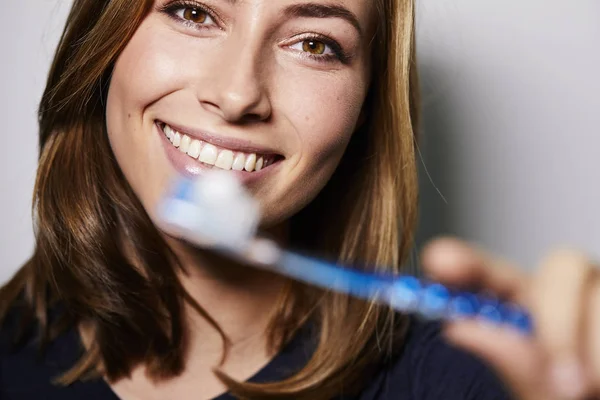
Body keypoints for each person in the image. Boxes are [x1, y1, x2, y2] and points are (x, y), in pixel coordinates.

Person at [1, 0, 599, 399]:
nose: (237, 95)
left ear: (365, 109)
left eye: (314, 44)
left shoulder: (466, 382)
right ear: (102, 41)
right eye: (193, 10)